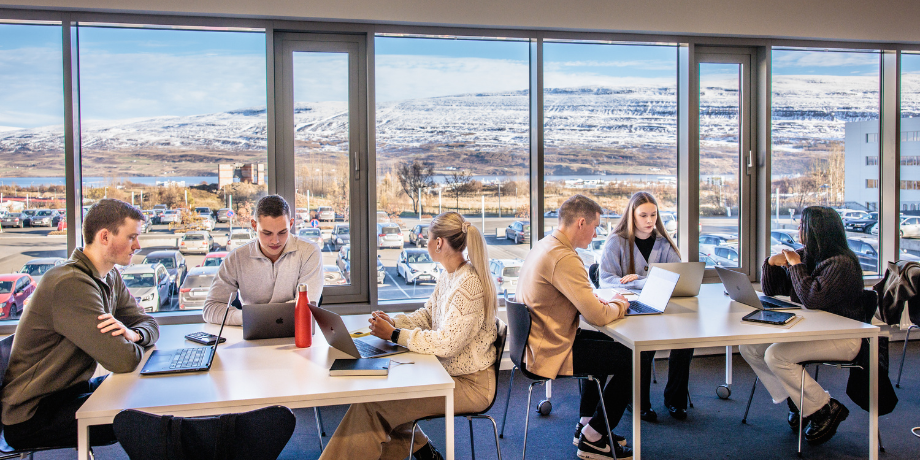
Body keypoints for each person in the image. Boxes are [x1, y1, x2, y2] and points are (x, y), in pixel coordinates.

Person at [318, 212, 498, 460]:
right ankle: (422, 451)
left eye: (427, 237)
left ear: (439, 243)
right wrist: (395, 323)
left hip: (469, 385)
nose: (424, 242)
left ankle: (416, 450)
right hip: (445, 372)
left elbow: (447, 343)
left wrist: (394, 334)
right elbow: (427, 316)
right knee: (380, 397)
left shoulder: (469, 285)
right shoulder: (449, 275)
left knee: (373, 406)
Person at [0, 199, 160, 449]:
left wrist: (134, 335)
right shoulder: (70, 284)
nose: (137, 246)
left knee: (147, 391)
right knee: (145, 417)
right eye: (131, 237)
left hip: (68, 392)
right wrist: (127, 344)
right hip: (34, 414)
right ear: (105, 236)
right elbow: (123, 360)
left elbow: (148, 322)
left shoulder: (108, 274)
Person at [517, 194, 633, 460]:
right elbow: (597, 317)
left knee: (612, 348)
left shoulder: (546, 245)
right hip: (551, 350)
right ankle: (594, 438)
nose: (595, 234)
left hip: (538, 342)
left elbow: (580, 299)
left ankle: (587, 424)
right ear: (581, 223)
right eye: (595, 227)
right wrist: (620, 305)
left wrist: (600, 301)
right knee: (633, 357)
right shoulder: (564, 257)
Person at [739, 206, 864, 445]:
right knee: (751, 348)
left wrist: (795, 266)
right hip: (813, 330)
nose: (798, 229)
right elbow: (775, 292)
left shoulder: (841, 263)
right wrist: (771, 264)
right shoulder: (809, 254)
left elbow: (812, 299)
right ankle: (801, 402)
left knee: (776, 355)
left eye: (802, 225)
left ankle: (825, 409)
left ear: (817, 230)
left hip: (844, 337)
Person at [598, 191, 694, 422]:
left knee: (686, 342)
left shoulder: (663, 242)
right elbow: (606, 279)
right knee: (644, 347)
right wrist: (648, 282)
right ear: (632, 215)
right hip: (629, 309)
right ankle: (638, 403)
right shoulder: (616, 241)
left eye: (653, 215)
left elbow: (676, 277)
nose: (649, 220)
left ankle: (675, 401)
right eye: (643, 215)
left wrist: (640, 280)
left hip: (661, 306)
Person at [204, 195, 323, 326]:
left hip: (296, 335)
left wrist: (257, 316)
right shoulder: (236, 258)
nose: (275, 241)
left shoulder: (309, 251)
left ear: (291, 224)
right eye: (267, 233)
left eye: (282, 232)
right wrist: (246, 318)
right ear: (254, 225)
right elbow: (210, 308)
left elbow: (307, 306)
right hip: (251, 333)